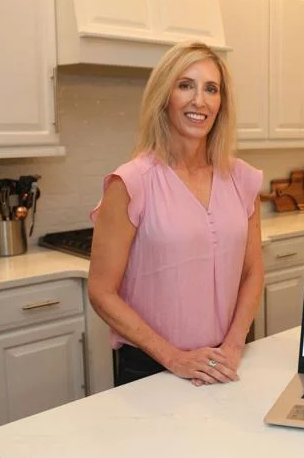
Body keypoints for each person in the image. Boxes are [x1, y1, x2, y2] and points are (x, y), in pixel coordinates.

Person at [88, 40, 264, 387]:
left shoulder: (241, 179)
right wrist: (175, 358)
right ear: (164, 96)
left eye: (211, 89)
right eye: (186, 85)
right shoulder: (132, 181)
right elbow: (100, 291)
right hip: (151, 368)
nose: (199, 100)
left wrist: (233, 344)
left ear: (220, 104)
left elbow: (253, 270)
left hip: (224, 361)